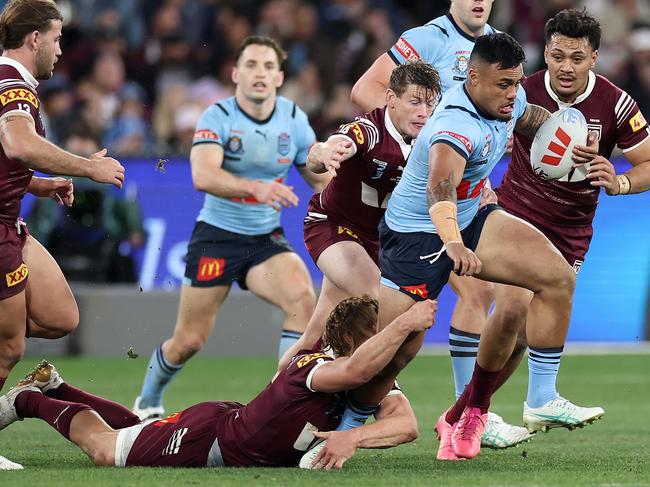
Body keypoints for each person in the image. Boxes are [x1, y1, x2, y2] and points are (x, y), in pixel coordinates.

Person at [341, 32, 601, 463]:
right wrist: (454, 244)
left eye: (517, 82)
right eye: (504, 84)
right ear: (472, 78)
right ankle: (342, 426)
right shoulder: (452, 125)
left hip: (471, 217)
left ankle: (526, 400)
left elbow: (530, 116)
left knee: (557, 278)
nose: (513, 93)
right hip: (417, 235)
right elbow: (439, 189)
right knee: (393, 355)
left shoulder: (506, 98)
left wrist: (568, 145)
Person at [439, 7, 650, 459]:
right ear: (546, 55)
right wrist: (478, 188)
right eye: (557, 56)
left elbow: (648, 161)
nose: (566, 67)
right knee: (513, 306)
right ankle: (534, 402)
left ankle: (463, 415)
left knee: (519, 339)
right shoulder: (521, 91)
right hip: (516, 214)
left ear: (595, 57)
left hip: (571, 231)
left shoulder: (615, 104)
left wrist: (620, 180)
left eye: (577, 57)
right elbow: (466, 132)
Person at [349, 0, 531, 449]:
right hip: (408, 201)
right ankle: (308, 399)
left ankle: (466, 414)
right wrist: (425, 143)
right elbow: (365, 89)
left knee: (479, 291)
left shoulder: (496, 49)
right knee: (377, 332)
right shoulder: (429, 38)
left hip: (450, 202)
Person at [0, 297, 437, 469]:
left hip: (220, 423)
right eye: (375, 339)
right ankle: (29, 402)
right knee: (104, 450)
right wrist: (406, 325)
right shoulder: (318, 367)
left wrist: (355, 437)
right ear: (350, 342)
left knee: (134, 429)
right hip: (210, 441)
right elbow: (357, 369)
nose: (383, 351)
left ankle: (57, 387)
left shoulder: (367, 380)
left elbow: (407, 426)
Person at [133, 36, 329, 421]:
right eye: (252, 65)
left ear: (279, 77)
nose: (260, 73)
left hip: (264, 239)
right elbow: (203, 175)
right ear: (236, 73)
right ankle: (148, 399)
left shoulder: (293, 119)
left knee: (302, 298)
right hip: (217, 236)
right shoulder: (218, 116)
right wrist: (257, 187)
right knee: (189, 340)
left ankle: (279, 403)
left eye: (269, 67)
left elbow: (317, 178)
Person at [0, 0, 125, 470]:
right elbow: (18, 143)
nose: (59, 49)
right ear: (35, 39)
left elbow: (6, 160)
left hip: (11, 221)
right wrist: (89, 166)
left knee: (59, 316)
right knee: (9, 347)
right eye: (56, 39)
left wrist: (39, 182)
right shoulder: (14, 88)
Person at [276, 60, 440, 371]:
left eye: (430, 103)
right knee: (384, 306)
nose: (423, 111)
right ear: (391, 98)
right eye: (415, 101)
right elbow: (336, 144)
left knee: (314, 337)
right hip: (334, 228)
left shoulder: (431, 137)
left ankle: (265, 407)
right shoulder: (369, 130)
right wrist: (323, 153)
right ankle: (372, 396)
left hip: (379, 243)